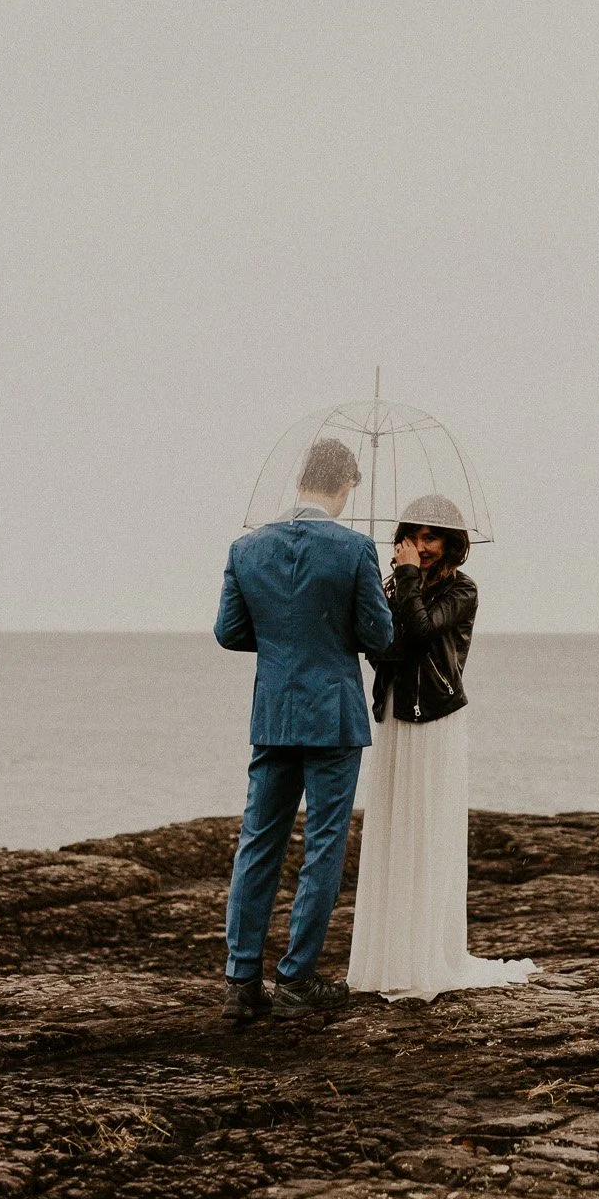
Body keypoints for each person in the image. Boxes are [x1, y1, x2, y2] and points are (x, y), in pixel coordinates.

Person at [214, 436, 392, 1022]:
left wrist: (283, 643)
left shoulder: (247, 548)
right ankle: (295, 979)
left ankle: (242, 983)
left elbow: (229, 632)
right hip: (333, 715)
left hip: (274, 713)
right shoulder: (354, 548)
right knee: (322, 848)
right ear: (344, 486)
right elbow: (378, 636)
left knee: (258, 843)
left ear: (301, 480)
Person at [347, 494, 535, 1000]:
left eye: (429, 537)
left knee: (426, 831)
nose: (419, 547)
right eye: (412, 536)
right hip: (392, 715)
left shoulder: (464, 590)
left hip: (434, 717)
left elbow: (423, 630)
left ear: (451, 543)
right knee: (393, 829)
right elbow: (382, 644)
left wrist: (405, 586)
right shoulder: (392, 585)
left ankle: (427, 955)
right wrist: (394, 597)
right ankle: (390, 956)